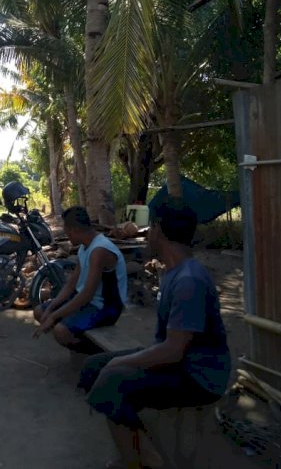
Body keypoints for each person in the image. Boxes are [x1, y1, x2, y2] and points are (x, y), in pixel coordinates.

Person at [77, 201, 231, 469]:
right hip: (180, 361)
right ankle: (144, 451)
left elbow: (173, 351)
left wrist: (120, 362)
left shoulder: (188, 281)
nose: (147, 234)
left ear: (158, 230)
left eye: (151, 228)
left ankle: (143, 461)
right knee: (93, 368)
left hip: (200, 376)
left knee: (113, 378)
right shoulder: (174, 271)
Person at [33, 206, 127, 353]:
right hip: (87, 301)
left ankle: (101, 354)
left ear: (75, 229)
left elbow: (86, 294)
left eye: (67, 232)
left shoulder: (99, 250)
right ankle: (78, 333)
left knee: (61, 331)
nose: (67, 236)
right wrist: (51, 308)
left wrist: (54, 316)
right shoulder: (85, 247)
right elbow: (71, 284)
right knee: (40, 312)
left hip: (104, 307)